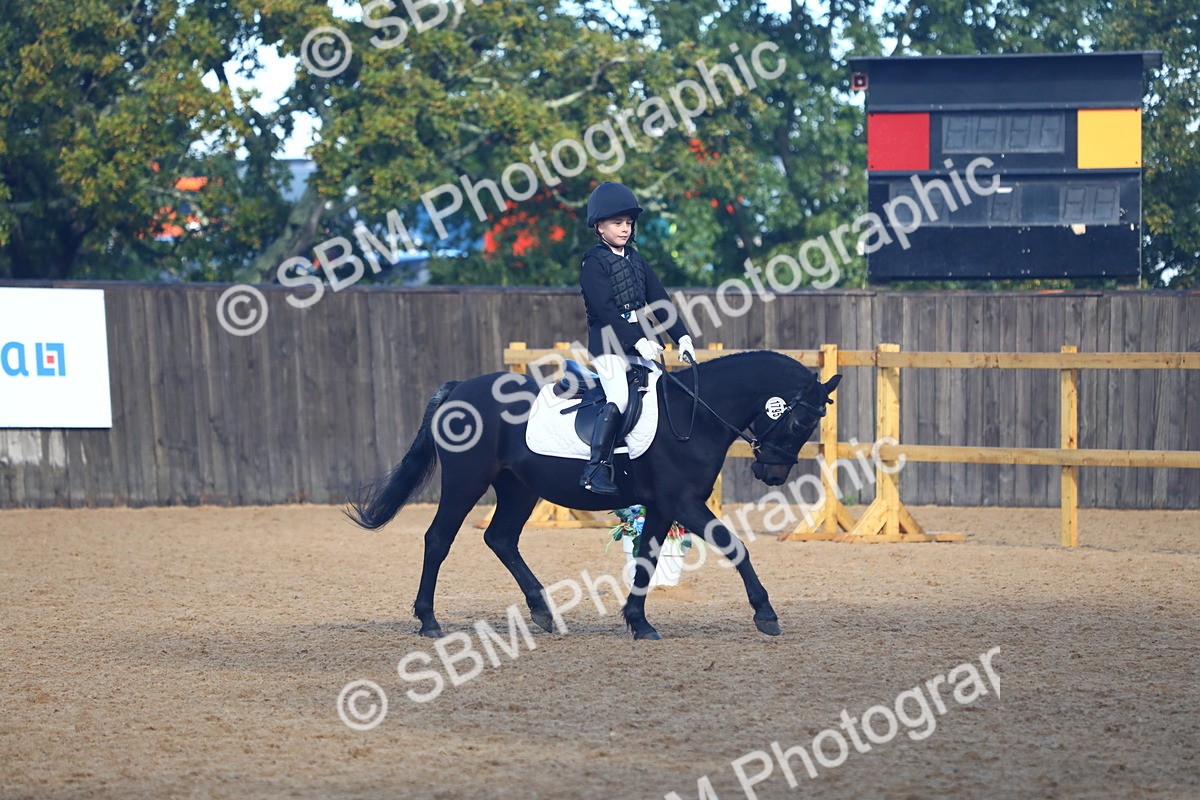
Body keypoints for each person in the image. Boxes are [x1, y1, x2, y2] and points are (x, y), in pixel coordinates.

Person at [577, 181, 696, 495]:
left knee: (664, 393)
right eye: (618, 223)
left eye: (629, 223)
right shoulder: (593, 263)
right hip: (608, 348)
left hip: (637, 345)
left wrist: (682, 337)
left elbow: (660, 301)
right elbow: (605, 310)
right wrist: (636, 340)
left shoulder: (635, 260)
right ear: (599, 226)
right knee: (618, 396)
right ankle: (595, 470)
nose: (625, 229)